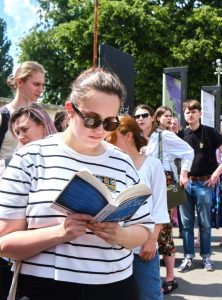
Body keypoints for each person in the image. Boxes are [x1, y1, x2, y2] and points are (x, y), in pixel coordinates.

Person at [0, 68, 153, 300]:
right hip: (45, 288)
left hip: (115, 286)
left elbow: (143, 228)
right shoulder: (31, 157)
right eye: (91, 119)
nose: (100, 130)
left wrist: (118, 235)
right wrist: (60, 232)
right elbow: (5, 242)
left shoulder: (122, 162)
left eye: (110, 123)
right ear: (70, 110)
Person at [106, 115, 169, 299]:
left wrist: (151, 240)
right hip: (114, 246)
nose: (108, 145)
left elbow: (159, 207)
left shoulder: (152, 165)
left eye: (111, 139)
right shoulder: (110, 166)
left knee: (148, 295)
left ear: (128, 136)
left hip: (143, 248)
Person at [134, 104, 193, 293]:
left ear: (153, 118)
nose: (140, 119)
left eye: (145, 115)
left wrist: (184, 174)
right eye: (137, 116)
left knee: (163, 230)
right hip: (142, 185)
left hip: (164, 184)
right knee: (144, 226)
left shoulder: (163, 135)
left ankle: (170, 276)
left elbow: (188, 152)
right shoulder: (134, 139)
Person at [0, 103, 56, 299]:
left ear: (44, 126)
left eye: (25, 129)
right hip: (9, 262)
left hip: (55, 266)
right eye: (17, 132)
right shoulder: (6, 165)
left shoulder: (63, 166)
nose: (20, 136)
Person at [178, 99, 222, 272]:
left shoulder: (210, 133)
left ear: (200, 113)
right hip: (185, 184)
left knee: (205, 224)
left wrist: (216, 174)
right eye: (187, 112)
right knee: (186, 225)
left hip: (204, 183)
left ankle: (207, 257)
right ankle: (188, 257)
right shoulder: (181, 134)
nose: (190, 114)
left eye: (194, 111)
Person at [0, 61, 45, 161]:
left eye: (42, 85)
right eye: (36, 84)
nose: (41, 90)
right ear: (19, 82)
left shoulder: (41, 117)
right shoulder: (3, 116)